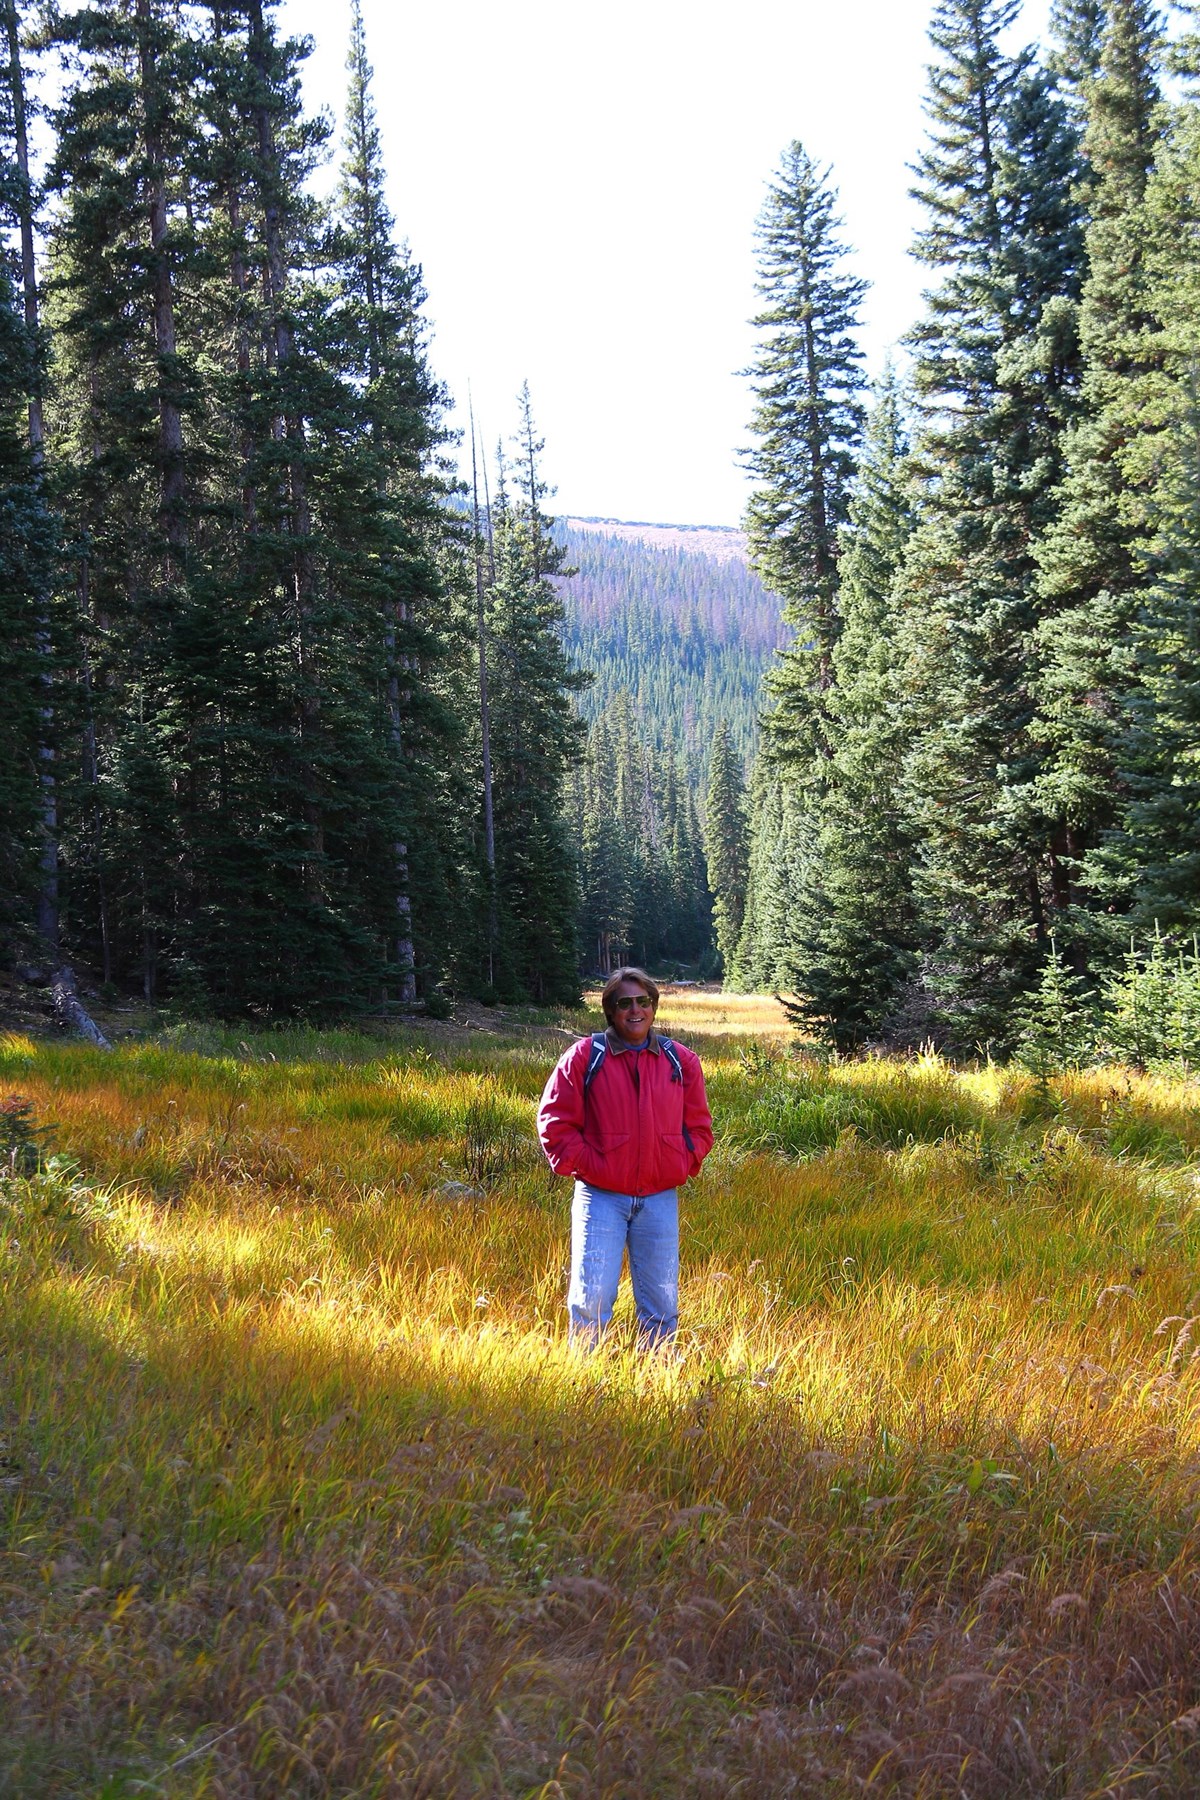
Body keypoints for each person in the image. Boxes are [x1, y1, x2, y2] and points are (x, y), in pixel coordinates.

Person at [537, 967, 713, 1347]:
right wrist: (587, 1165)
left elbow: (699, 1128)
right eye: (625, 1003)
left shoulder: (681, 1061)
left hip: (659, 1198)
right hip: (600, 1197)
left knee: (662, 1304)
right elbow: (554, 1121)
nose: (635, 1010)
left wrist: (681, 1162)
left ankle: (658, 1378)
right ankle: (585, 1382)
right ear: (611, 1011)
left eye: (643, 1002)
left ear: (653, 1006)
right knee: (591, 1300)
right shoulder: (585, 1056)